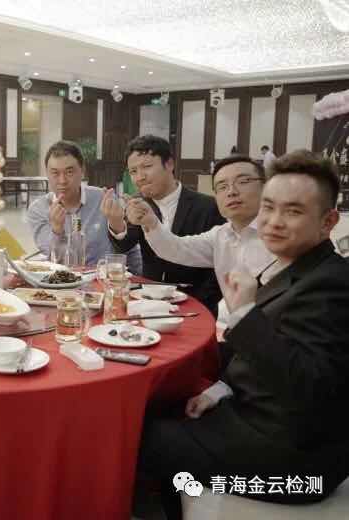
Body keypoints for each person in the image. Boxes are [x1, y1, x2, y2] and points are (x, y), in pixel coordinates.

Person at [137, 150, 349, 519]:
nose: (273, 222)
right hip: (261, 421)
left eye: (293, 211)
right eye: (269, 207)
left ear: (328, 221)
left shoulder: (332, 284)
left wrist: (245, 314)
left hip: (295, 462)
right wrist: (221, 387)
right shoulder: (299, 268)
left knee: (142, 435)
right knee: (158, 405)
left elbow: (310, 388)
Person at [128, 155, 278, 328]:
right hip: (232, 330)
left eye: (243, 181)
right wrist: (151, 222)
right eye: (222, 186)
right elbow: (177, 248)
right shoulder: (221, 235)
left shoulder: (282, 236)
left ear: (266, 187)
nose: (231, 191)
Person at [102, 135, 225, 314]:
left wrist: (200, 302)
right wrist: (115, 222)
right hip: (148, 302)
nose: (139, 177)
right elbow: (124, 245)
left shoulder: (208, 206)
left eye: (147, 167)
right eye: (133, 171)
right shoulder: (138, 203)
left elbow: (221, 266)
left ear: (169, 164)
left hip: (195, 305)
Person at [26, 140, 142, 273]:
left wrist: (118, 225)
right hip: (63, 281)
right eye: (55, 173)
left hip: (103, 279)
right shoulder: (39, 209)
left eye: (69, 172)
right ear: (47, 174)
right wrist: (57, 231)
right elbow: (53, 260)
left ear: (82, 171)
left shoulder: (103, 199)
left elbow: (130, 250)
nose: (62, 181)